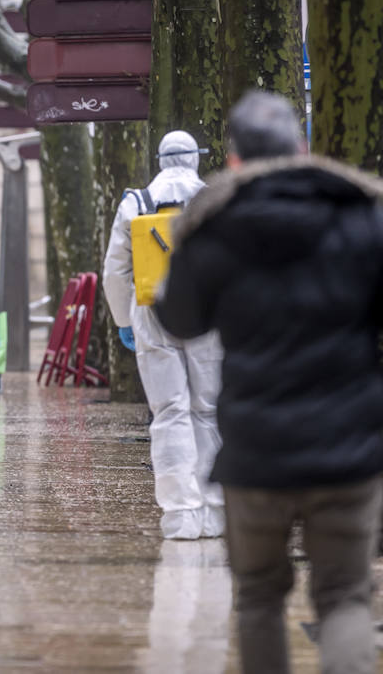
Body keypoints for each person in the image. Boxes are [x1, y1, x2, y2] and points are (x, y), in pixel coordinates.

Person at [154, 90, 383, 674]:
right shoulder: (363, 217)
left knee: (259, 596)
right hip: (348, 448)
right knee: (344, 596)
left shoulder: (217, 227)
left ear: (234, 159)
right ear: (301, 147)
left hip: (255, 453)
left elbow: (179, 319)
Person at [101, 129, 225, 540]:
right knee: (208, 410)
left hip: (152, 311)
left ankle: (180, 516)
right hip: (208, 314)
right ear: (194, 159)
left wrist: (123, 321)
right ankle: (213, 513)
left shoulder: (135, 203)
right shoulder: (215, 200)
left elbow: (115, 271)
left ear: (160, 159)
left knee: (169, 411)